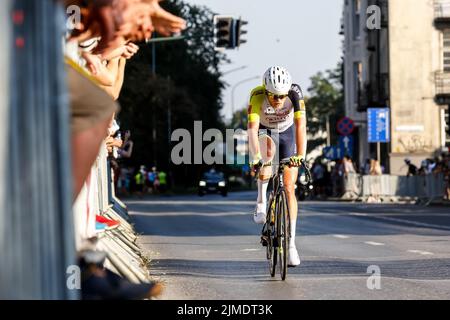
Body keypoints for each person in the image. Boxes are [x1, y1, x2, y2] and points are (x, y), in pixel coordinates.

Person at [247, 66, 307, 267]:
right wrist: (255, 157)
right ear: (266, 90)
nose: (278, 100)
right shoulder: (256, 95)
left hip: (287, 133)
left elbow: (301, 126)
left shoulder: (295, 93)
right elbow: (252, 128)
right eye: (273, 96)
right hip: (266, 131)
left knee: (289, 187)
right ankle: (261, 201)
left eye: (282, 96)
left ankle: (291, 246)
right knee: (266, 154)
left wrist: (301, 155)